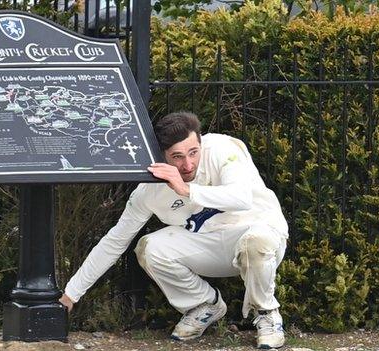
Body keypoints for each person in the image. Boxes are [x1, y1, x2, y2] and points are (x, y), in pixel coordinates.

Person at [59, 112, 289, 349]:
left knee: (256, 241)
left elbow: (241, 198)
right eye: (177, 157)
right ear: (161, 155)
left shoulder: (222, 147)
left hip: (260, 235)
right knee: (150, 248)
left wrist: (186, 189)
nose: (188, 164)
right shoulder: (148, 191)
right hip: (209, 244)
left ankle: (267, 313)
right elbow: (115, 241)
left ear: (201, 143)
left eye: (193, 152)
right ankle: (204, 304)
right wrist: (71, 294)